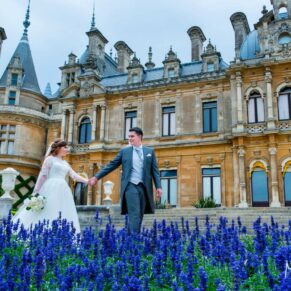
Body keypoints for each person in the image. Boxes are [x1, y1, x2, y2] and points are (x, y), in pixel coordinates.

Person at [89, 127, 162, 234]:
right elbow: (111, 165)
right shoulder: (125, 152)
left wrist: (159, 186)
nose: (130, 138)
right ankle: (134, 241)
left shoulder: (149, 151)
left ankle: (129, 238)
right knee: (135, 213)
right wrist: (96, 177)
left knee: (140, 214)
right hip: (130, 186)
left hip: (144, 188)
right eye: (129, 136)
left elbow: (155, 171)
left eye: (132, 136)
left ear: (139, 137)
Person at [13, 139, 88, 232]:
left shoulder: (65, 163)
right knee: (49, 208)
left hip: (63, 189)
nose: (67, 149)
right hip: (51, 186)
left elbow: (74, 175)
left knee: (62, 210)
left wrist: (87, 181)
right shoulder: (50, 159)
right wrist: (36, 191)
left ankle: (59, 233)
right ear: (58, 148)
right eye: (65, 147)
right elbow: (43, 176)